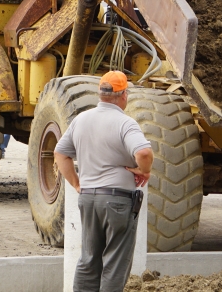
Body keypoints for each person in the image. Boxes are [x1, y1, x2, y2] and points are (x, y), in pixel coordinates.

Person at [54, 71, 153, 292]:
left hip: (88, 199)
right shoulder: (125, 123)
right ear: (124, 95)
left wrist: (77, 184)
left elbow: (60, 153)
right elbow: (144, 153)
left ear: (100, 94)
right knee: (115, 264)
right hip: (118, 202)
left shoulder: (81, 119)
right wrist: (144, 171)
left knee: (88, 259)